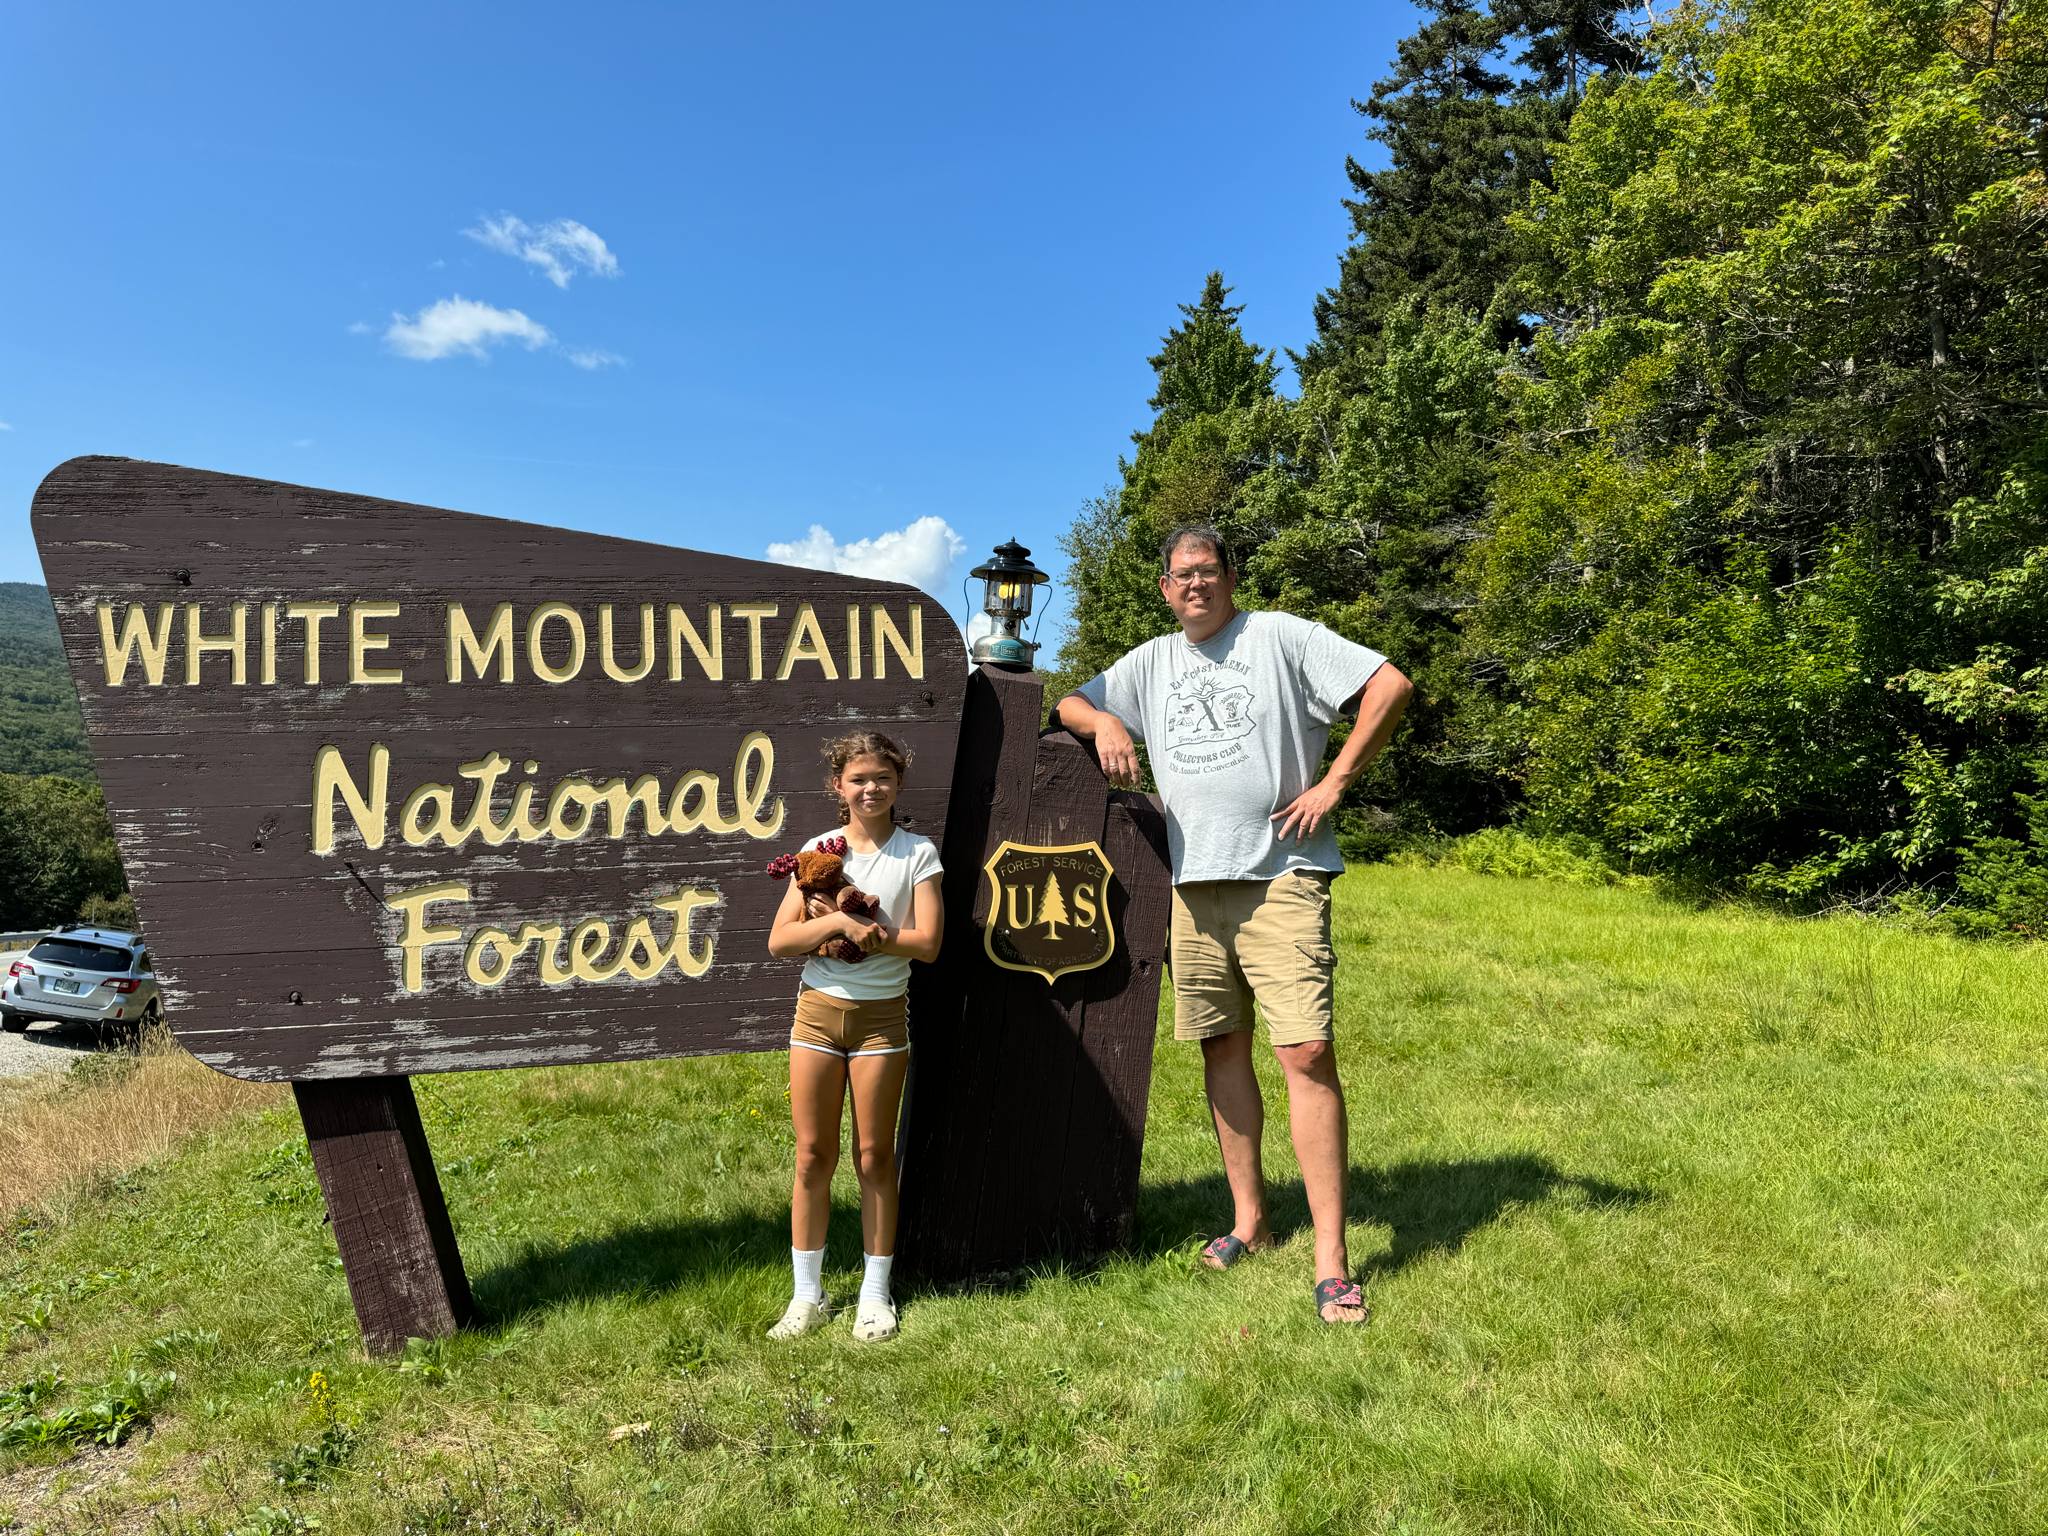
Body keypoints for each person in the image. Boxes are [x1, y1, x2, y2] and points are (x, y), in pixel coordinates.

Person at [1055, 525, 1411, 1325]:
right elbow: (1071, 700)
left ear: (1230, 577)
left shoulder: (1280, 637)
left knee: (1306, 1051)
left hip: (1281, 876)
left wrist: (1334, 781)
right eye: (1182, 575)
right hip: (1192, 887)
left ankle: (1332, 1262)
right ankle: (1251, 1222)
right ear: (1165, 588)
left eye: (1209, 570)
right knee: (1222, 1048)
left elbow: (1389, 685)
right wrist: (1107, 724)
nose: (1197, 584)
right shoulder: (1151, 662)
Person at [764, 730, 943, 1342]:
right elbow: (780, 940)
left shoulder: (918, 853)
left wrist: (877, 936)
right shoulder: (818, 850)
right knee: (812, 1156)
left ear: (899, 783)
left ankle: (874, 1293)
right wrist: (839, 920)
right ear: (838, 786)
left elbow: (929, 944)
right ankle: (806, 1296)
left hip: (881, 1023)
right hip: (816, 1016)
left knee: (874, 1157)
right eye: (859, 779)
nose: (872, 788)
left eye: (883, 778)